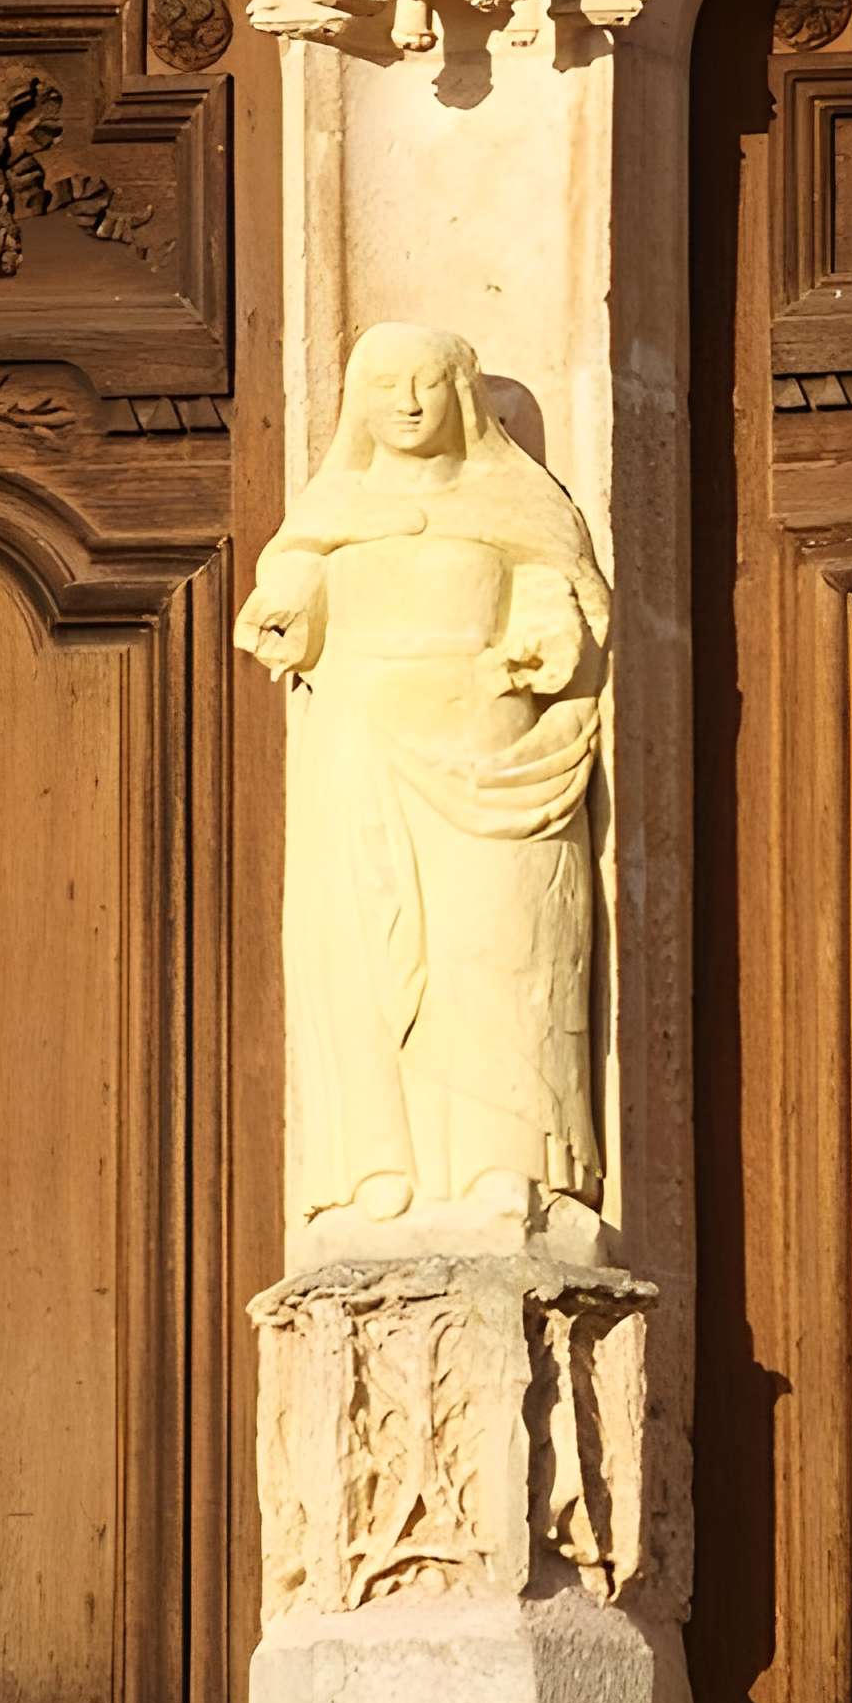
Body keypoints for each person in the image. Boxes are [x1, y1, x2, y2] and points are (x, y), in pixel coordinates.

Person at [235, 321, 609, 1240]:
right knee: (364, 959)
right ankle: (375, 1166)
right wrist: (286, 615)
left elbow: (557, 611)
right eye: (384, 385)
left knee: (496, 955)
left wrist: (540, 647)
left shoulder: (524, 512)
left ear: (461, 394)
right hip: (364, 761)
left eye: (425, 383)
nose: (404, 403)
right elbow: (288, 609)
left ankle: (505, 1164)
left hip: (497, 760)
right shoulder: (323, 527)